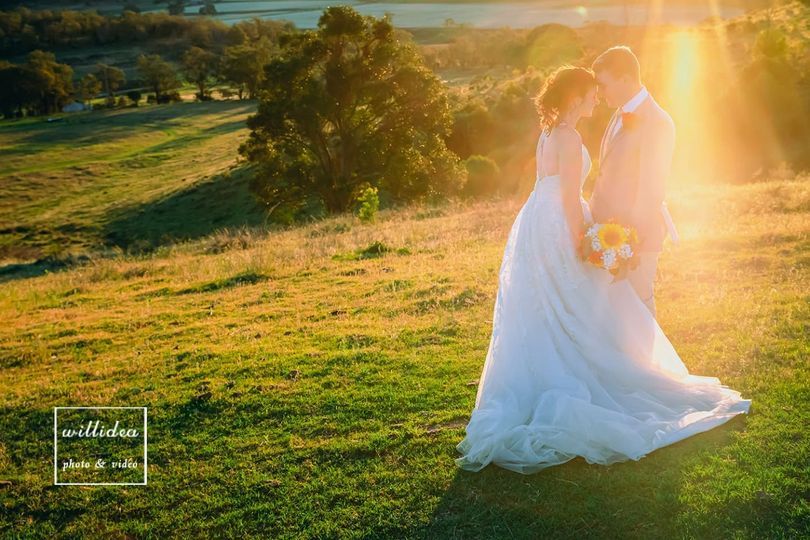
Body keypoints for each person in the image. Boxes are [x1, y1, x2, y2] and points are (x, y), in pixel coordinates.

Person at [454, 63, 751, 475]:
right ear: (576, 95)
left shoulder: (549, 132)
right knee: (578, 300)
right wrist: (585, 240)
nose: (597, 98)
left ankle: (552, 368)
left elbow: (549, 190)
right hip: (559, 223)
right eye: (592, 93)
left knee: (551, 304)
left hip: (535, 222)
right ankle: (587, 370)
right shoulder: (570, 136)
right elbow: (571, 200)